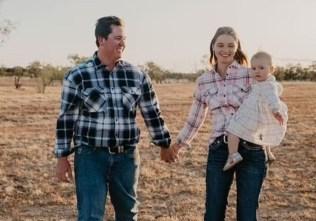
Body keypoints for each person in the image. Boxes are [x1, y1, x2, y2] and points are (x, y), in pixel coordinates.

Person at [54, 16, 175, 221]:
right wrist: (62, 157)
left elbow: (152, 112)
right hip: (90, 157)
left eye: (124, 38)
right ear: (101, 39)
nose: (123, 43)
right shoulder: (78, 75)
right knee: (91, 215)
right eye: (117, 38)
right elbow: (66, 119)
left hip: (126, 157)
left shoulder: (137, 75)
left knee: (128, 214)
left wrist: (164, 144)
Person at [172, 26, 267, 221]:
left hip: (251, 148)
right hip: (219, 150)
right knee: (213, 213)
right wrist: (178, 145)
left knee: (247, 214)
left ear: (237, 47)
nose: (226, 50)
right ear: (213, 47)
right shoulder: (204, 81)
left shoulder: (250, 74)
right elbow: (195, 118)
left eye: (231, 45)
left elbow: (267, 101)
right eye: (221, 45)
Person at [223, 51, 288, 171]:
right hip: (257, 116)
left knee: (233, 129)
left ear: (272, 69)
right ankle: (268, 153)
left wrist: (276, 111)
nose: (257, 71)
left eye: (261, 68)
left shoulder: (269, 86)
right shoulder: (259, 82)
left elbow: (273, 99)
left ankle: (233, 155)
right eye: (254, 68)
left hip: (252, 116)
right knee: (263, 133)